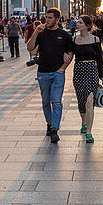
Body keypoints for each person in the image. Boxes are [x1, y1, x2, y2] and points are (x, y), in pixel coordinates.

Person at [26, 8, 73, 143]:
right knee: (46, 101)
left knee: (56, 101)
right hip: (43, 72)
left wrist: (62, 69)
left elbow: (70, 53)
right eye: (46, 17)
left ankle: (55, 129)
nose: (47, 20)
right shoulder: (41, 34)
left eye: (50, 18)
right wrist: (36, 32)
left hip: (57, 73)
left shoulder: (64, 35)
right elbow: (30, 48)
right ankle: (49, 123)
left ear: (57, 19)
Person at [70, 14, 103, 145]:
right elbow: (69, 54)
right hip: (78, 70)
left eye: (80, 22)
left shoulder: (95, 40)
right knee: (81, 100)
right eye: (77, 22)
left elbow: (99, 59)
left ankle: (89, 131)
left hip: (92, 71)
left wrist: (102, 76)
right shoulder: (74, 40)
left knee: (90, 100)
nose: (77, 24)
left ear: (87, 25)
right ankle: (83, 122)